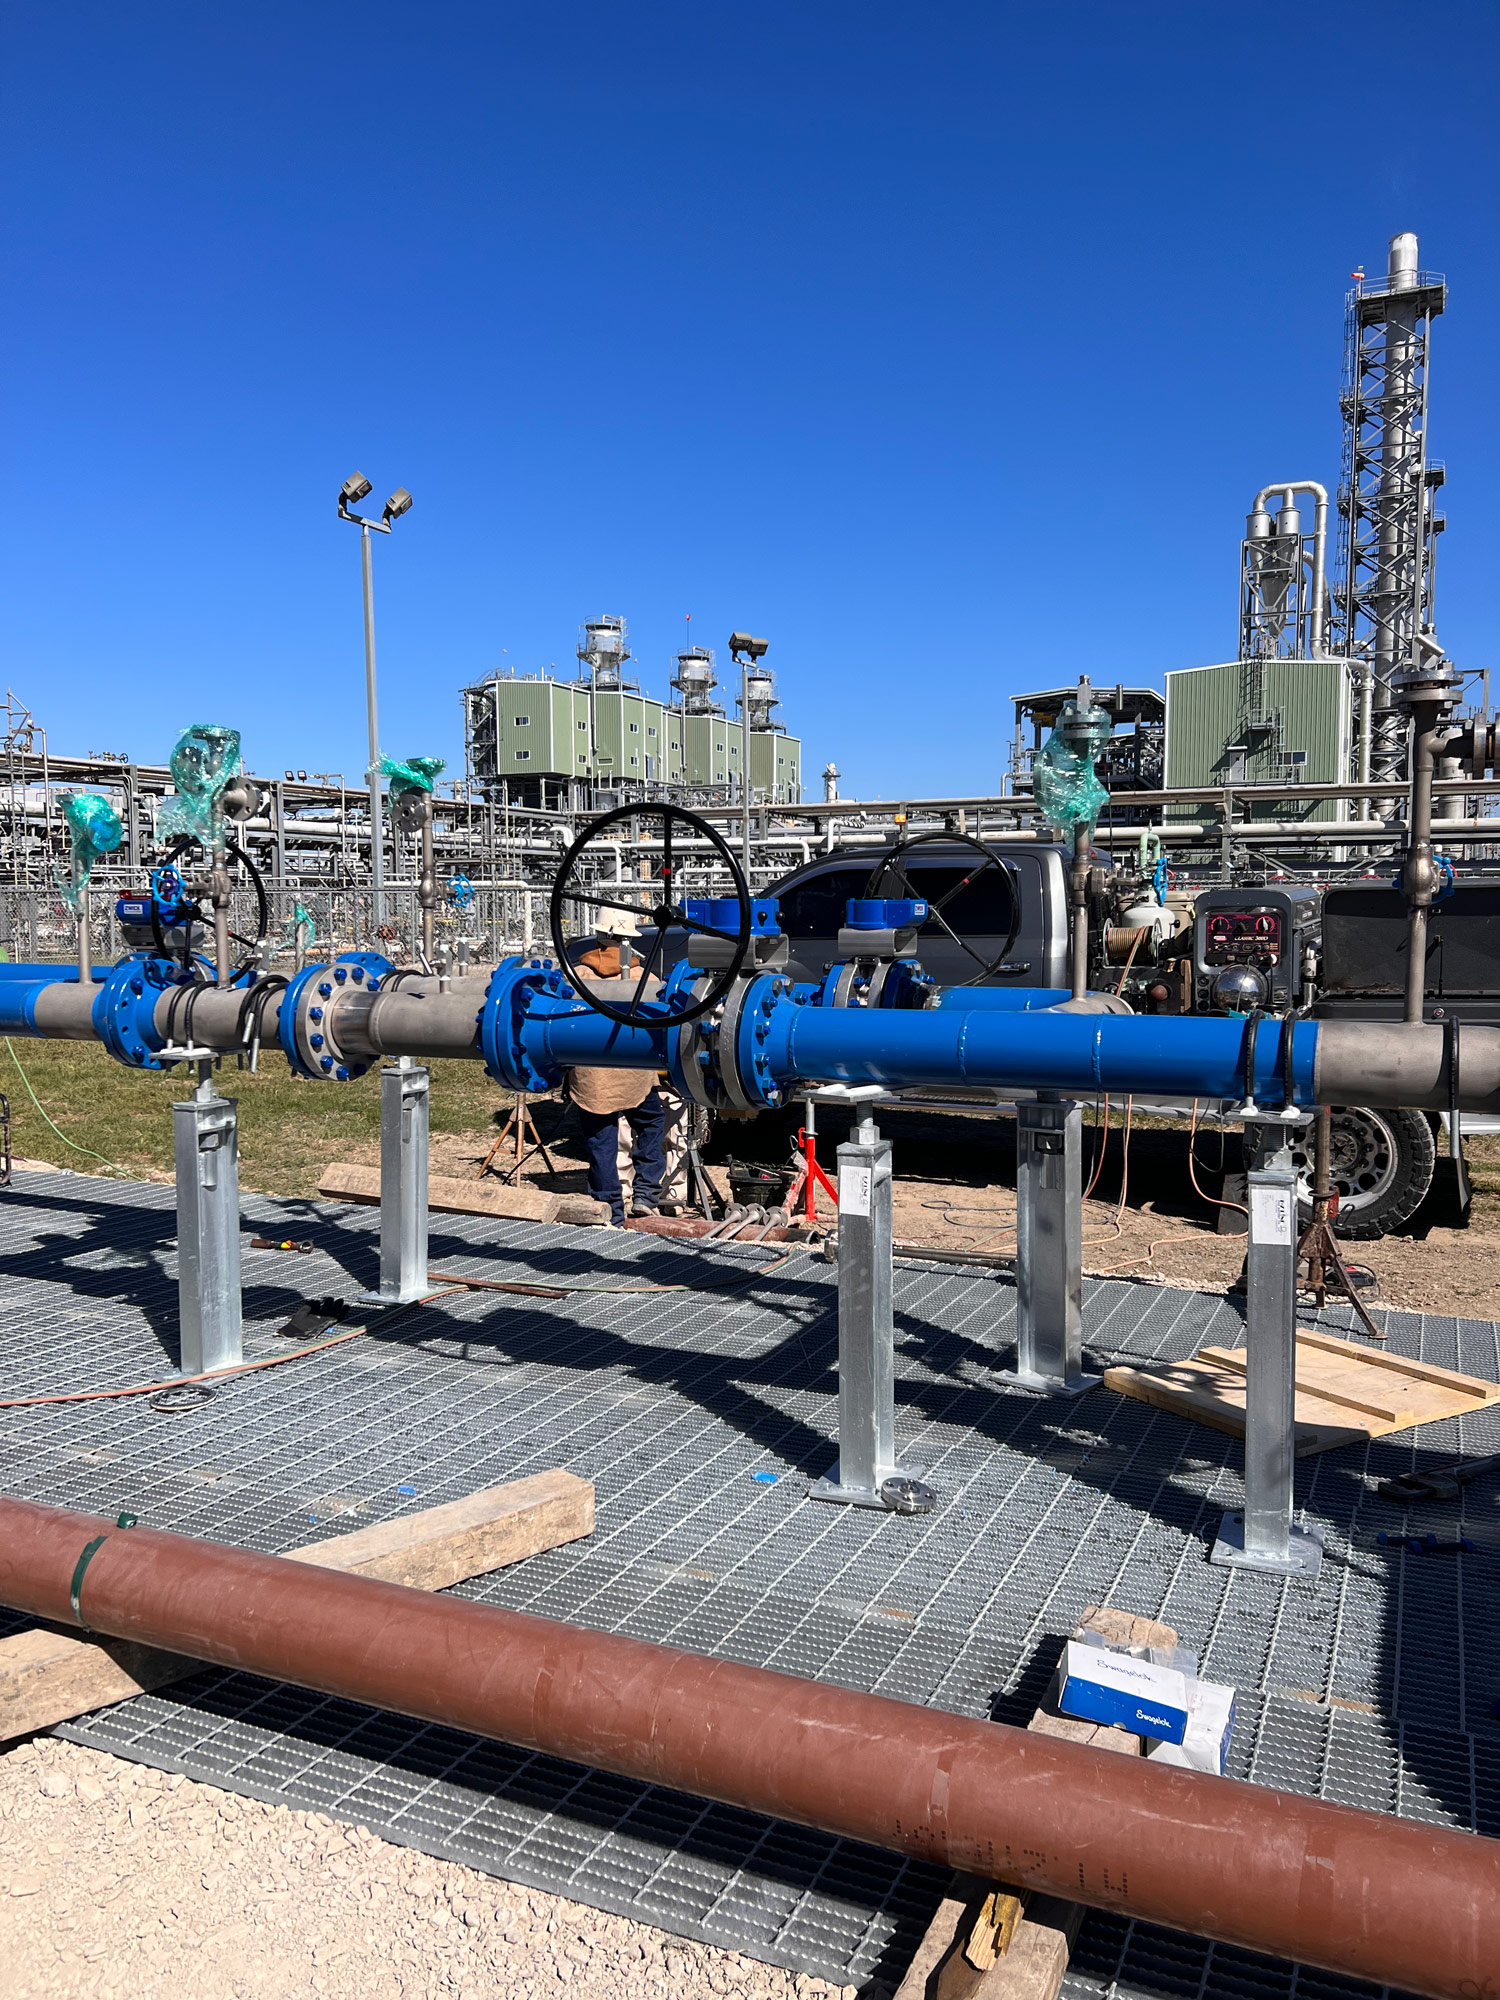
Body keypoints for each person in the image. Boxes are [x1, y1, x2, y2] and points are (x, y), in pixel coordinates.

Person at [565, 910, 665, 1225]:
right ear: (628, 940)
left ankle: (609, 1210)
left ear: (598, 936)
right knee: (651, 1122)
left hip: (591, 1077)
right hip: (635, 1072)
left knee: (601, 1142)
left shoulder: (577, 975)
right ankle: (646, 1193)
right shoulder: (645, 978)